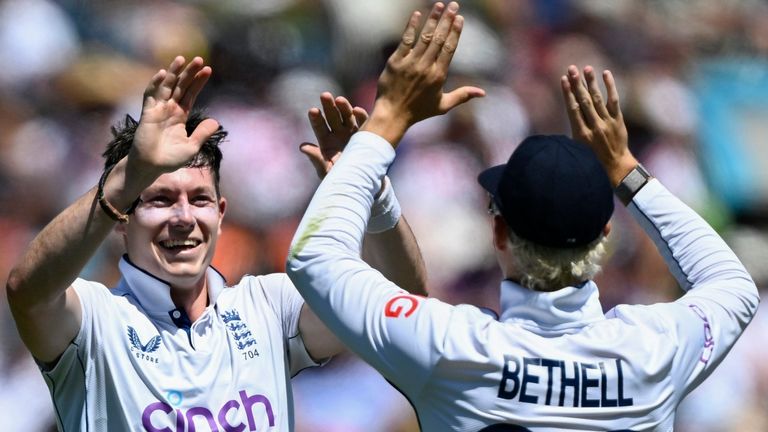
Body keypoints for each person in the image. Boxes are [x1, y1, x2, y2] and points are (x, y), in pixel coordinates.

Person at [285, 2, 760, 431]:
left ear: (498, 231)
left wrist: (384, 122)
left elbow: (314, 259)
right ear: (605, 235)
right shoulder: (655, 349)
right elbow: (733, 285)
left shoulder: (451, 345)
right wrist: (625, 169)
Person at [5, 56, 426, 431]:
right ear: (123, 221)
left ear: (221, 214)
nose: (184, 218)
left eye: (200, 199)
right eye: (160, 199)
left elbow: (402, 302)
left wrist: (370, 189)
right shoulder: (95, 321)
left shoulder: (268, 305)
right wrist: (129, 174)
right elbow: (28, 291)